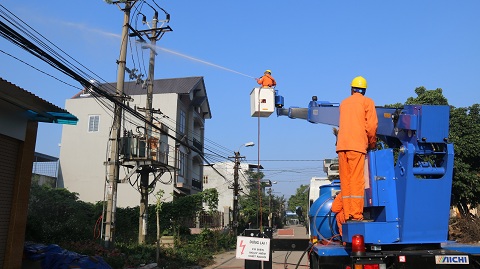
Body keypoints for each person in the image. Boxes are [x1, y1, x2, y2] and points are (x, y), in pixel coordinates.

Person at [335, 76, 378, 222]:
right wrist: (372, 143)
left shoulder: (344, 103)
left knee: (345, 180)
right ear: (364, 90)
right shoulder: (368, 102)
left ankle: (348, 214)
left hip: (342, 146)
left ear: (352, 89)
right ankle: (356, 214)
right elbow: (371, 127)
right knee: (356, 180)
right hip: (357, 146)